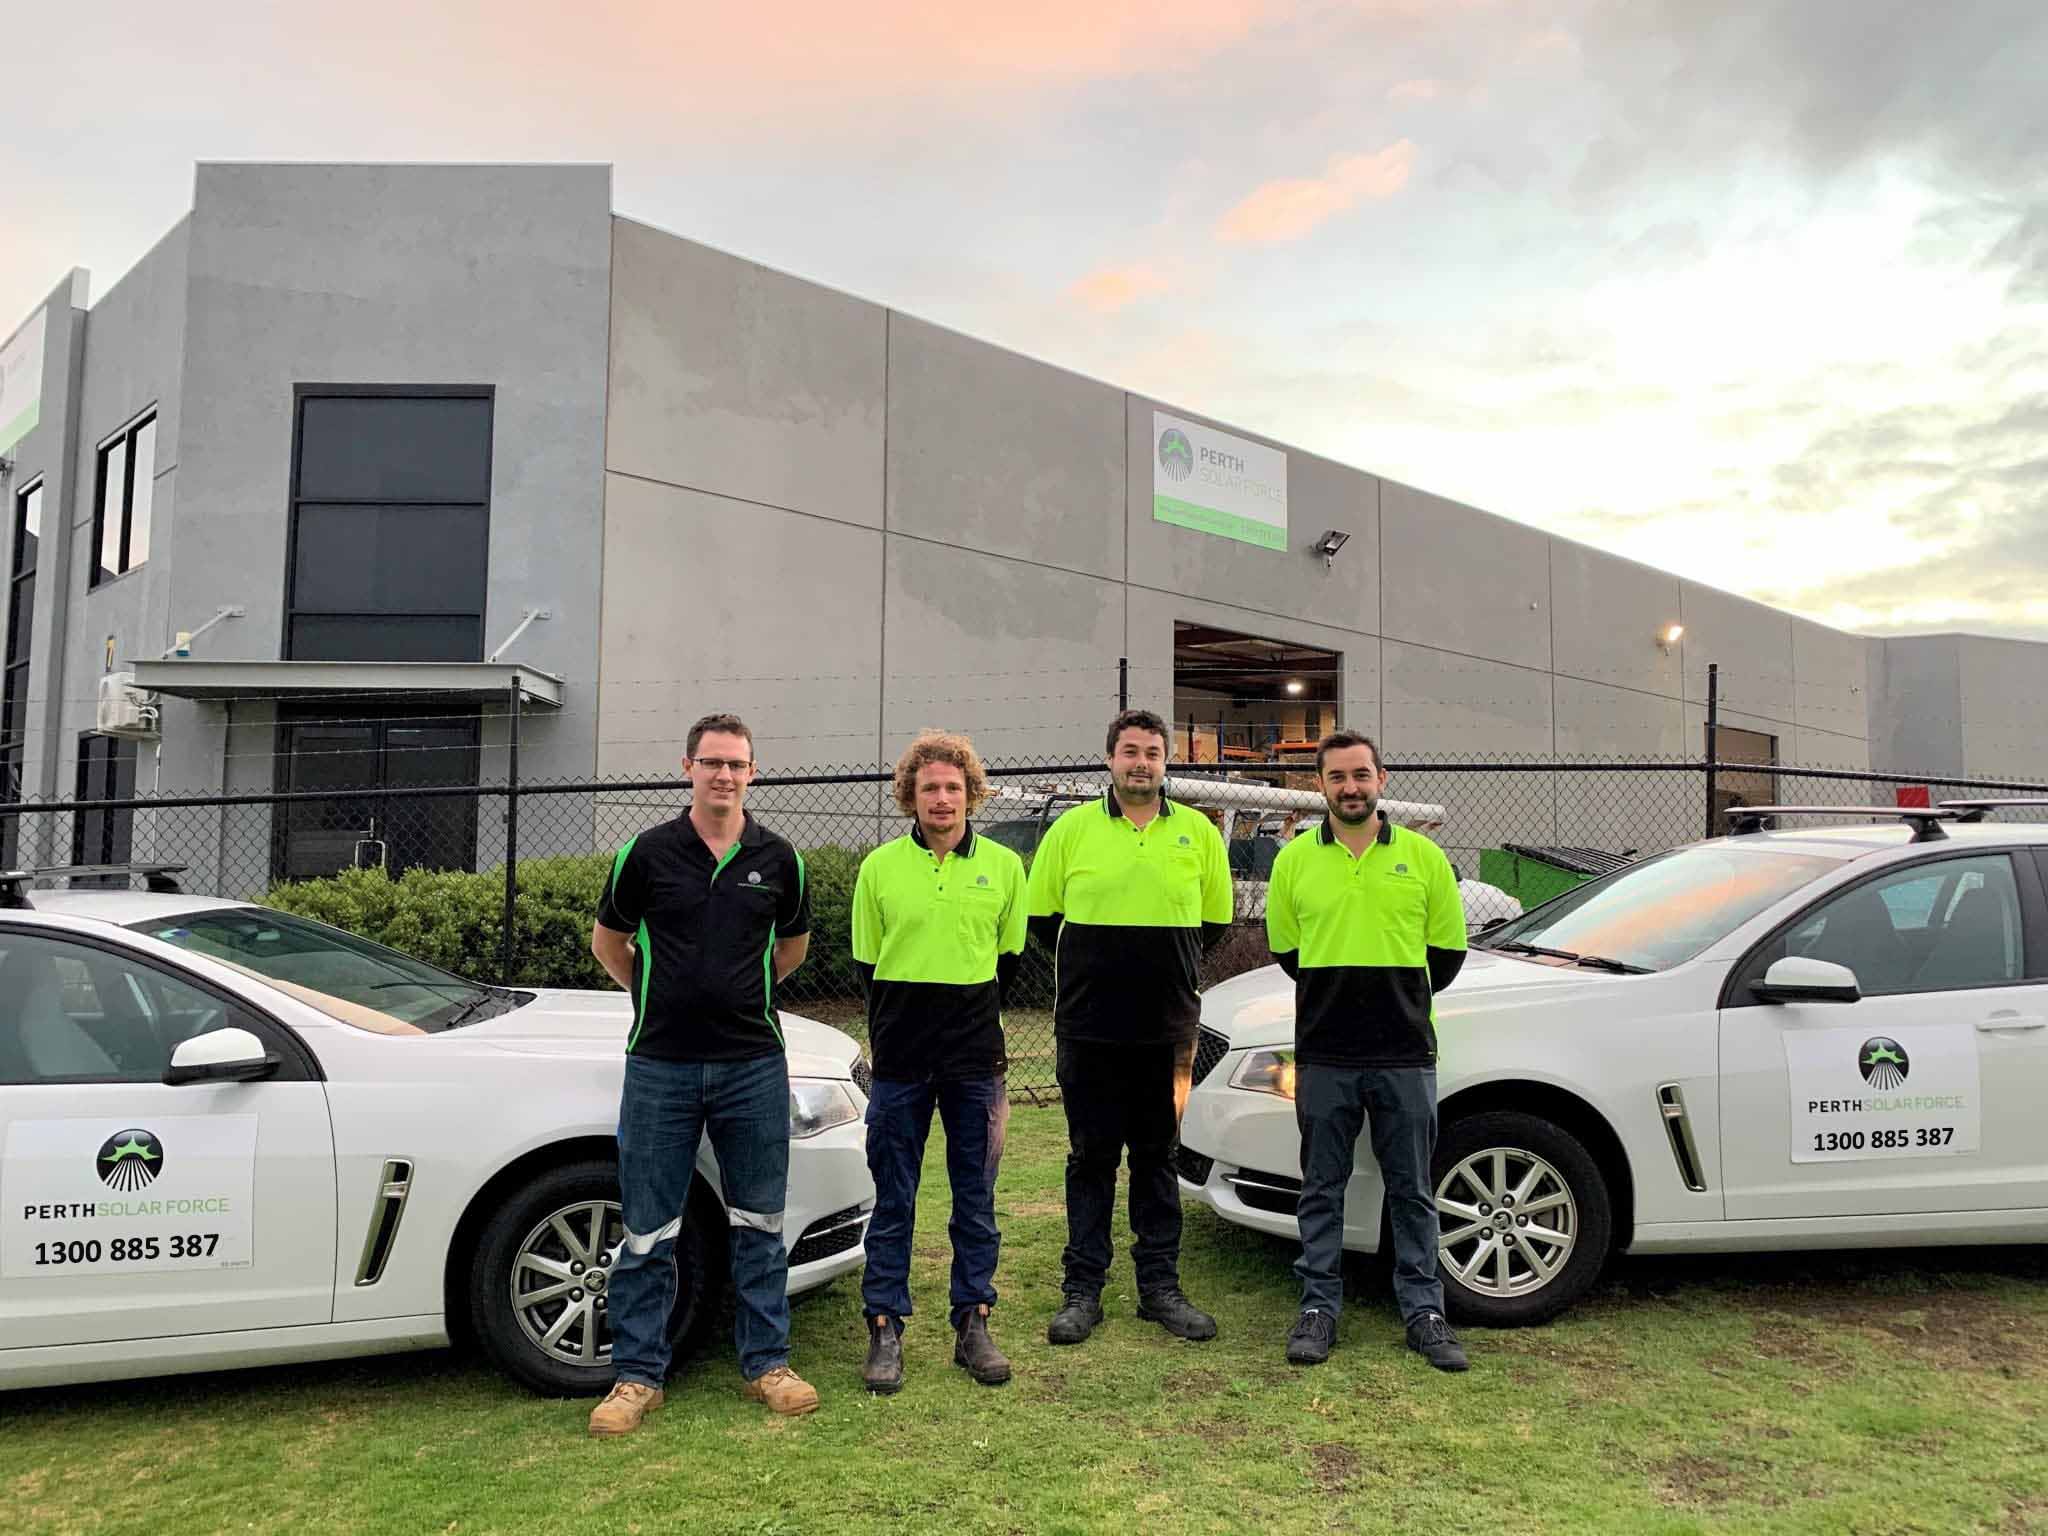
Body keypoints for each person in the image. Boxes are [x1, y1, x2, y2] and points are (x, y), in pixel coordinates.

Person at [585, 712, 819, 1435]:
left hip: (753, 1064)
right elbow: (609, 943)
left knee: (760, 1220)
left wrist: (738, 995)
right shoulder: (646, 854)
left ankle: (767, 1364)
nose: (724, 775)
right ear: (687, 767)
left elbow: (792, 949)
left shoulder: (780, 859)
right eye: (712, 762)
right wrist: (659, 997)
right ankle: (637, 1377)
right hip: (661, 1065)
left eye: (736, 764)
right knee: (648, 1227)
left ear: (753, 772)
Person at [1027, 708, 1234, 1346]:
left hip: (1168, 1032)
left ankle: (1159, 1289)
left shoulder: (1199, 833)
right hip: (1088, 1029)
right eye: (1130, 752)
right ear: (1110, 759)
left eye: (1152, 753)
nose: (1141, 763)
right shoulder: (1071, 830)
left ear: (1165, 762)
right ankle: (1082, 1290)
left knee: (1157, 1157)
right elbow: (1042, 920)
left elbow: (1215, 925)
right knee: (1090, 1159)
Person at [1265, 730, 1470, 1372]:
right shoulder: (1293, 862)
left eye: (1361, 775)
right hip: (1325, 1053)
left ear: (1382, 779)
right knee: (1321, 1187)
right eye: (1337, 777)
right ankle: (1318, 1308)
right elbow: (1288, 952)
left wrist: (1392, 1001)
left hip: (1404, 1055)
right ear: (1320, 785)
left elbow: (1447, 955)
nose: (1350, 787)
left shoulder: (1425, 858)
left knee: (1412, 1190)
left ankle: (1424, 1312)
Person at [851, 731, 1028, 1393]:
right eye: (930, 787)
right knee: (893, 1200)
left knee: (975, 1201)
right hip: (900, 1063)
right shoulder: (879, 869)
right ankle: (885, 1326)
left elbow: (1009, 962)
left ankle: (973, 1321)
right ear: (911, 796)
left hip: (976, 1064)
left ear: (970, 793)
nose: (943, 798)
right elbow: (868, 966)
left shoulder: (1005, 868)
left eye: (953, 786)